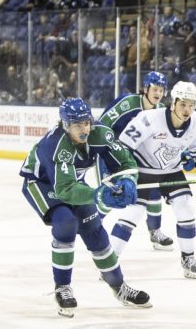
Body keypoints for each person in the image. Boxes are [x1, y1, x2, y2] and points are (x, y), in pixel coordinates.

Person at [18, 98, 151, 316]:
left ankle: (119, 287)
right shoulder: (57, 145)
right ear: (65, 124)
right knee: (66, 223)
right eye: (77, 124)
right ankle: (62, 288)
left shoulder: (100, 133)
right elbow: (64, 190)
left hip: (70, 181)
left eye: (86, 122)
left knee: (95, 231)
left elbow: (126, 162)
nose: (84, 129)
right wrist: (99, 194)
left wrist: (127, 181)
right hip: (41, 184)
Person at [108, 81, 196, 279]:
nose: (187, 110)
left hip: (171, 170)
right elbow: (123, 147)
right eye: (183, 104)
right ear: (173, 102)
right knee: (133, 213)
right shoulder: (149, 119)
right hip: (142, 170)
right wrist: (124, 175)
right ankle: (109, 262)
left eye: (191, 105)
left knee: (186, 206)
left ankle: (188, 259)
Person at [98, 71, 173, 249]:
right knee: (113, 193)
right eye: (155, 89)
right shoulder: (128, 103)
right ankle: (91, 225)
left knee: (153, 191)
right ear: (145, 88)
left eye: (161, 90)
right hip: (112, 154)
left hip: (137, 158)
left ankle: (155, 232)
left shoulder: (161, 110)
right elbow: (102, 124)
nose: (158, 93)